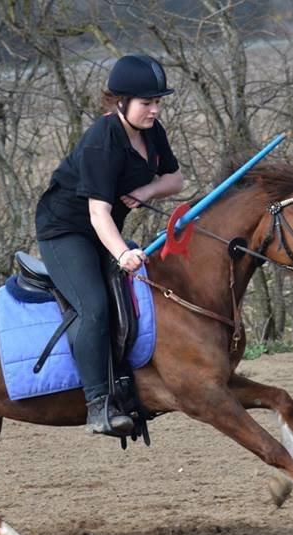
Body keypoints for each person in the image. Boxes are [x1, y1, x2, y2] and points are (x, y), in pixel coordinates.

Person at [35, 54, 184, 436]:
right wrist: (122, 254)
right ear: (120, 102)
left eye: (158, 102)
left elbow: (176, 180)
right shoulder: (101, 143)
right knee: (96, 307)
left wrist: (147, 189)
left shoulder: (152, 131)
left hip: (104, 230)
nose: (155, 109)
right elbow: (98, 214)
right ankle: (98, 405)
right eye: (146, 102)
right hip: (66, 231)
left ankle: (128, 388)